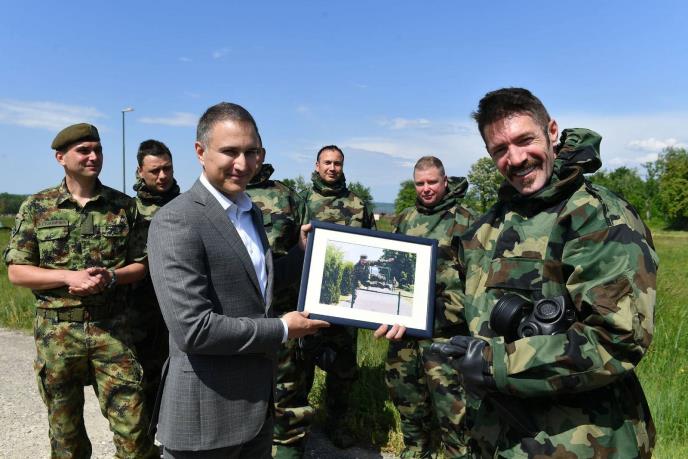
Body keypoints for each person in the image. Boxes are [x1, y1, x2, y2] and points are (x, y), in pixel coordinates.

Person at [438, 88, 657, 457]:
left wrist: (495, 364)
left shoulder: (594, 216)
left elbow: (616, 339)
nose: (516, 158)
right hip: (500, 438)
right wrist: (404, 315)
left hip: (580, 442)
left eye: (525, 140)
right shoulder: (490, 226)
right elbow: (460, 307)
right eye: (500, 149)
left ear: (551, 131)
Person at [147, 102, 329, 458]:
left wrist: (302, 253)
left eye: (251, 152)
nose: (243, 164)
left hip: (257, 411)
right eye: (230, 152)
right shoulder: (176, 220)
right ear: (200, 151)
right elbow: (193, 330)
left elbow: (254, 287)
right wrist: (282, 329)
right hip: (206, 420)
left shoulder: (250, 212)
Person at [3, 123, 158, 458]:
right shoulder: (37, 206)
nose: (93, 156)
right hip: (58, 334)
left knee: (134, 434)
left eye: (98, 150)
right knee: (66, 438)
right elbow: (17, 271)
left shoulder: (123, 206)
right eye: (84, 150)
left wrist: (112, 277)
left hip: (112, 330)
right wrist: (67, 277)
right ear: (61, 158)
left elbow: (141, 265)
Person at [384, 156, 475, 458]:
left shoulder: (466, 220)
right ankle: (415, 450)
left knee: (453, 406)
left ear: (445, 181)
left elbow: (476, 283)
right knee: (406, 396)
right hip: (405, 331)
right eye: (420, 183)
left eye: (432, 182)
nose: (426, 188)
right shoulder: (404, 219)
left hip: (445, 332)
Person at [301, 145, 376, 448]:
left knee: (343, 370)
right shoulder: (302, 202)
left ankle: (338, 425)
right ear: (317, 165)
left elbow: (371, 247)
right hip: (308, 302)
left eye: (337, 163)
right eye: (327, 163)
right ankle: (297, 426)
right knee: (301, 366)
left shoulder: (357, 204)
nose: (332, 168)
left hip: (346, 302)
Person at [245, 144, 311, 458]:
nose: (246, 159)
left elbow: (309, 252)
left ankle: (287, 450)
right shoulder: (220, 195)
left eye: (252, 152)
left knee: (287, 390)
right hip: (236, 314)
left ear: (262, 154)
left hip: (283, 312)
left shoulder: (288, 198)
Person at [128, 139, 180, 440]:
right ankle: (148, 440)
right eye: (154, 170)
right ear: (140, 171)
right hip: (141, 308)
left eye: (167, 169)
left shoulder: (187, 205)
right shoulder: (128, 210)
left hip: (180, 304)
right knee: (145, 377)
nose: (162, 176)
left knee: (180, 375)